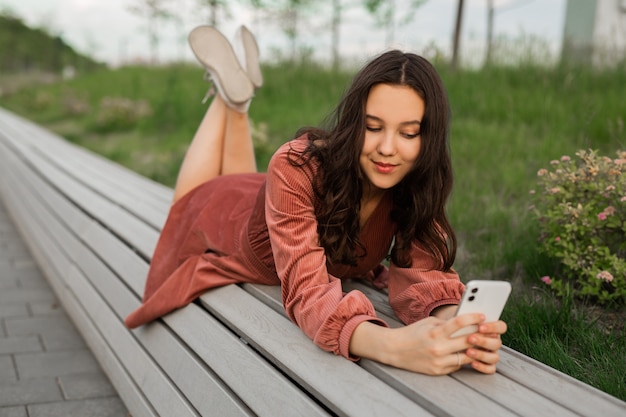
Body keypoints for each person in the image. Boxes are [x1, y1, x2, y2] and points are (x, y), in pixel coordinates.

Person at [125, 25, 507, 375]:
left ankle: (235, 98)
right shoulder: (296, 166)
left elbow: (423, 273)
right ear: (353, 122)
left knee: (245, 182)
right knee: (190, 197)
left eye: (408, 134)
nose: (388, 149)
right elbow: (307, 291)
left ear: (429, 138)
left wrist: (457, 322)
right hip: (221, 217)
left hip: (265, 200)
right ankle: (231, 101)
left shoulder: (414, 181)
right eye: (373, 128)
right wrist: (390, 344)